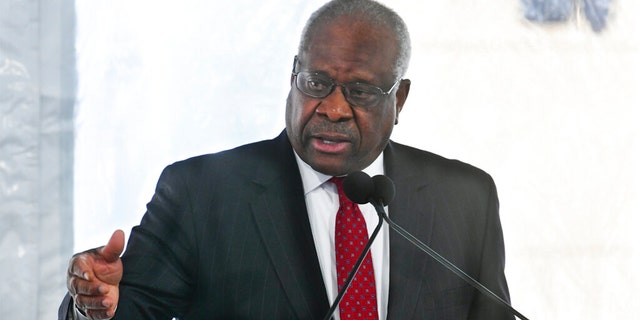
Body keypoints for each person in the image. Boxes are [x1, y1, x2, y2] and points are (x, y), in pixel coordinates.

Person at [61, 0, 514, 319]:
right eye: (316, 83)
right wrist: (96, 305)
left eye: (359, 92)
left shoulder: (465, 199)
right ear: (293, 75)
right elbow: (128, 307)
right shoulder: (202, 194)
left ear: (400, 99)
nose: (333, 109)